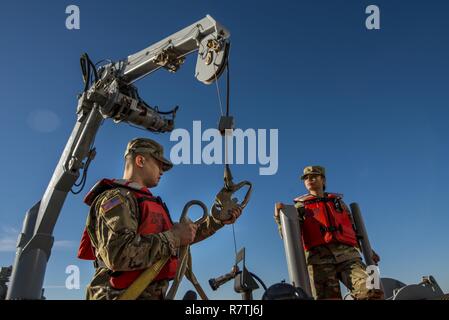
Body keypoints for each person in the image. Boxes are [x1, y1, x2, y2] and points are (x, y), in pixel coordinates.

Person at [77, 137, 242, 300]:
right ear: (140, 160)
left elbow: (181, 239)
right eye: (158, 164)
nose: (162, 171)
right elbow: (119, 254)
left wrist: (217, 220)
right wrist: (174, 237)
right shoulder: (116, 199)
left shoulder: (144, 201)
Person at [274, 165, 384, 300]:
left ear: (323, 180)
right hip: (319, 261)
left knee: (372, 289)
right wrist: (279, 219)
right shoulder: (300, 207)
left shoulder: (339, 204)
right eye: (306, 178)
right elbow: (288, 237)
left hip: (348, 256)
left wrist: (369, 250)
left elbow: (353, 231)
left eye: (314, 176)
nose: (310, 179)